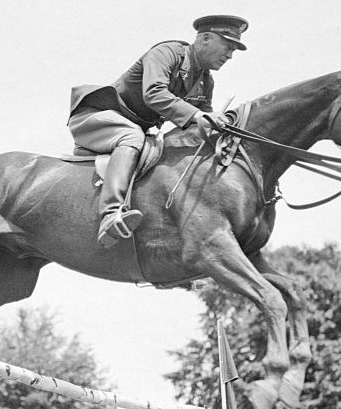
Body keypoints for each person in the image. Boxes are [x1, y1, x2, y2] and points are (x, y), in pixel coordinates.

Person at [68, 14, 249, 247]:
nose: (229, 56)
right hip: (98, 118)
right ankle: (110, 215)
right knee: (132, 137)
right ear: (205, 39)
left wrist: (220, 126)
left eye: (233, 50)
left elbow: (201, 123)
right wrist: (199, 116)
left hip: (138, 130)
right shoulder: (167, 53)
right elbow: (154, 93)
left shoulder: (205, 82)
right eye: (227, 46)